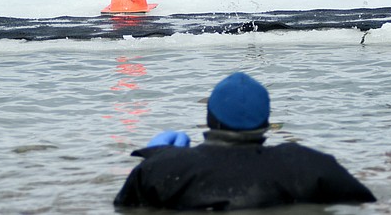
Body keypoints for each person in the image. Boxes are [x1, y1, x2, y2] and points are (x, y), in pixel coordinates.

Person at [114, 72, 376, 209]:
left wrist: (156, 161)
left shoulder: (160, 170)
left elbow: (126, 208)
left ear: (210, 119)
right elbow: (365, 202)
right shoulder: (311, 165)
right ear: (265, 122)